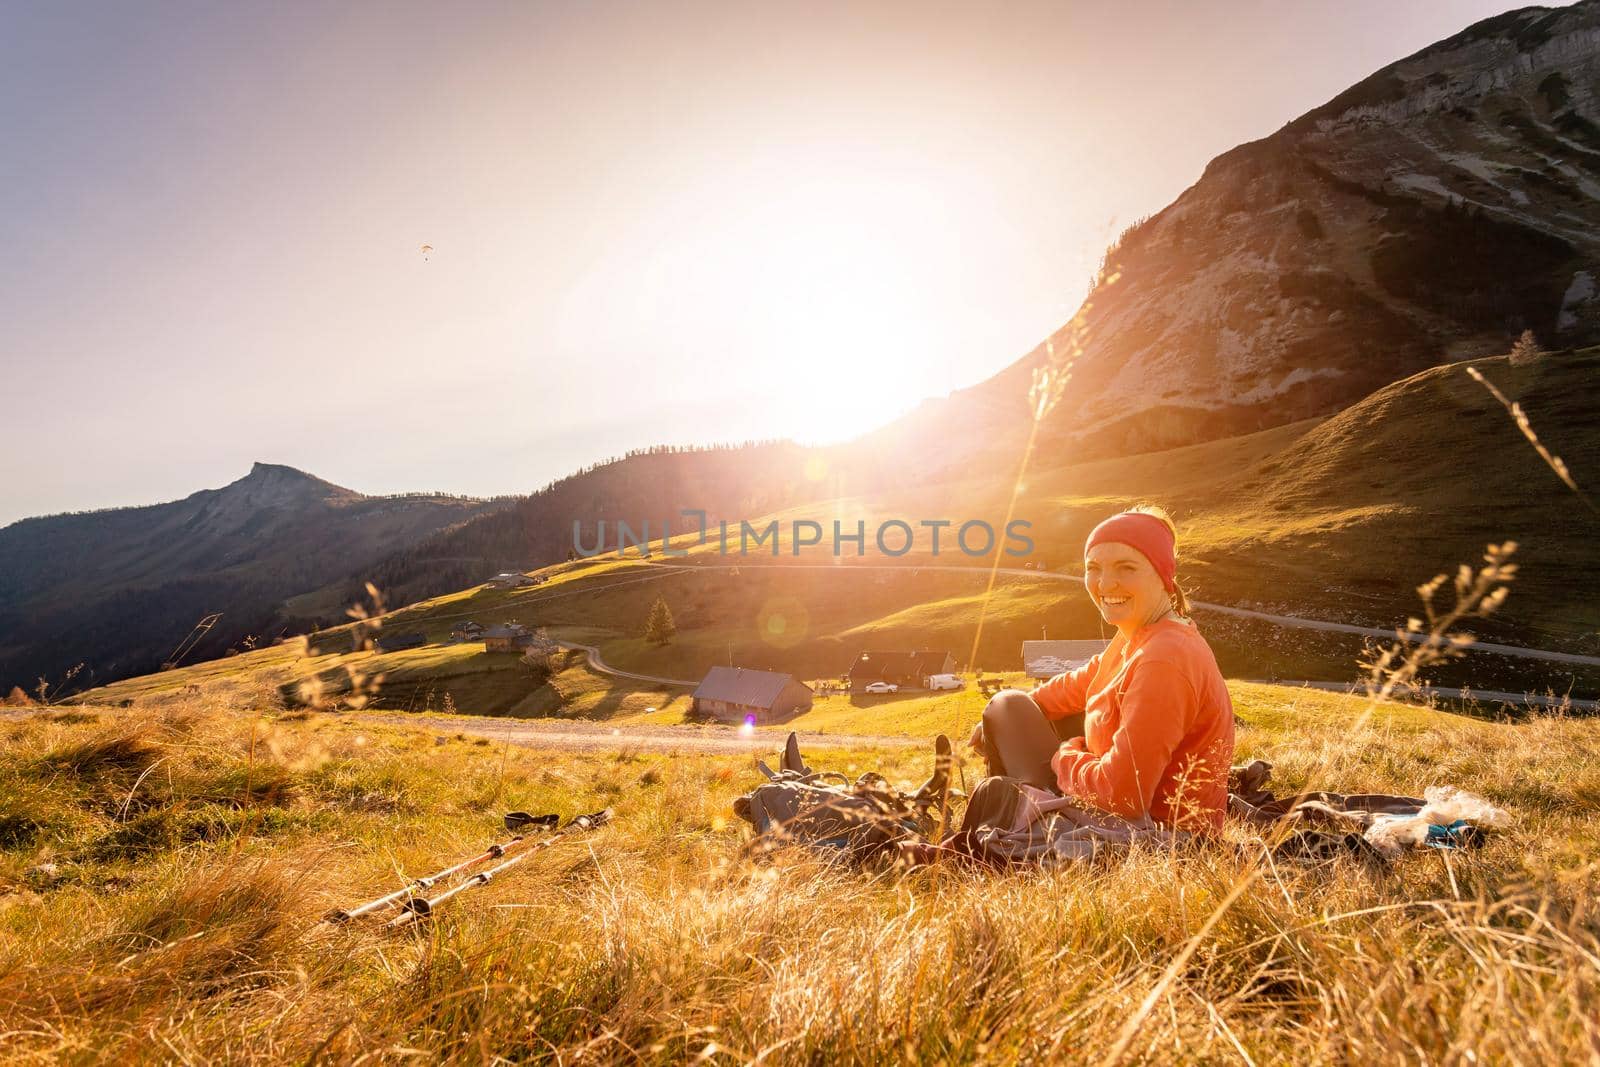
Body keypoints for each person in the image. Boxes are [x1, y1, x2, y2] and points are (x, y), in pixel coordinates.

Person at [967, 506, 1235, 834]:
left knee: (1006, 705)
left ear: (1163, 575)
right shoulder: (1141, 634)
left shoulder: (1164, 658)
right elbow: (1086, 680)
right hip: (1139, 815)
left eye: (1127, 567)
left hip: (1153, 835)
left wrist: (1064, 755)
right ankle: (1013, 810)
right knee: (1012, 706)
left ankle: (1016, 820)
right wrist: (1000, 723)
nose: (1106, 583)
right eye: (1094, 568)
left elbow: (1123, 797)